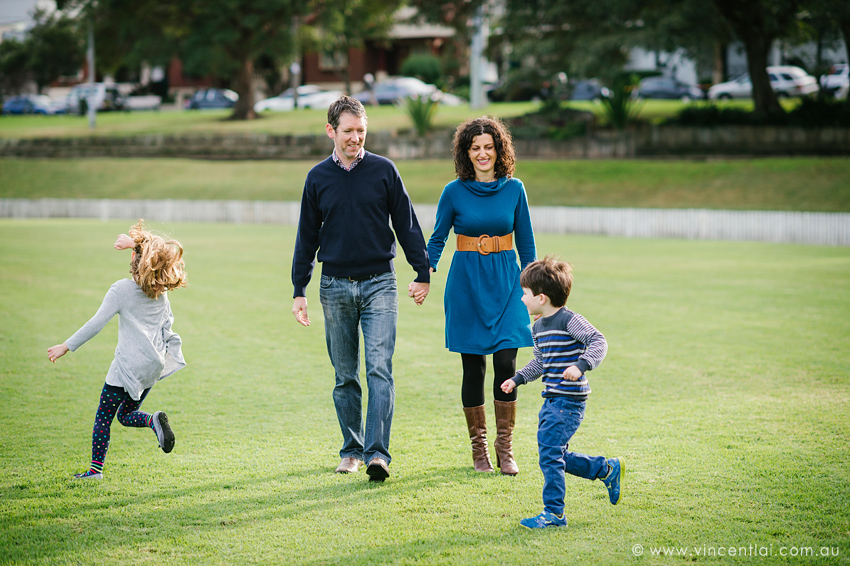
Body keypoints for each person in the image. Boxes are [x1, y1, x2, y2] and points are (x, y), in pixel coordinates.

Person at [291, 95, 431, 482]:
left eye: (361, 131)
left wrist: (422, 272)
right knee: (345, 375)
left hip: (380, 285)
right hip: (334, 286)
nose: (355, 138)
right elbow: (306, 237)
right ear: (331, 131)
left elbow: (406, 225)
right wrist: (298, 289)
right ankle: (351, 451)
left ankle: (377, 455)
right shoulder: (317, 178)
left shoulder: (385, 171)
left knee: (379, 370)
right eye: (348, 131)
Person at [426, 116, 536, 475]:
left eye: (489, 147)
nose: (483, 153)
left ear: (499, 149)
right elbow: (438, 237)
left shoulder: (515, 188)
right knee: (473, 367)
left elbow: (526, 243)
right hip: (466, 286)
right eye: (476, 148)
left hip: (507, 284)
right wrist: (422, 272)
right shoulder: (453, 191)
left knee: (507, 364)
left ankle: (505, 448)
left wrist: (533, 289)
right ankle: (479, 451)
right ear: (466, 152)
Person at [47, 220, 188, 480]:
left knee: (104, 416)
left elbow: (95, 324)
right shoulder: (160, 292)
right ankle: (153, 420)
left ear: (135, 259)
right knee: (126, 415)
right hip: (152, 366)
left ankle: (94, 471)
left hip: (127, 366)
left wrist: (66, 346)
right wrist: (135, 244)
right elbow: (168, 325)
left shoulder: (121, 290)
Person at [501, 256, 622, 529]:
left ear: (541, 298)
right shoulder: (538, 327)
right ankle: (606, 469)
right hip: (552, 399)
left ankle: (554, 513)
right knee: (554, 454)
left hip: (569, 401)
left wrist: (581, 365)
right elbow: (541, 363)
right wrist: (517, 379)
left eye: (525, 294)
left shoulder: (570, 321)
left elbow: (598, 341)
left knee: (549, 453)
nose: (522, 299)